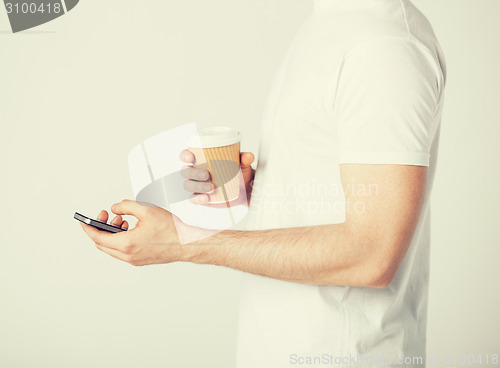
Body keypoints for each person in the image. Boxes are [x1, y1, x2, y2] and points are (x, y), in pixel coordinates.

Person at [80, 0, 446, 366]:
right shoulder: (332, 21)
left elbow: (372, 255)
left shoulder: (382, 48)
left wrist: (184, 242)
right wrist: (264, 190)